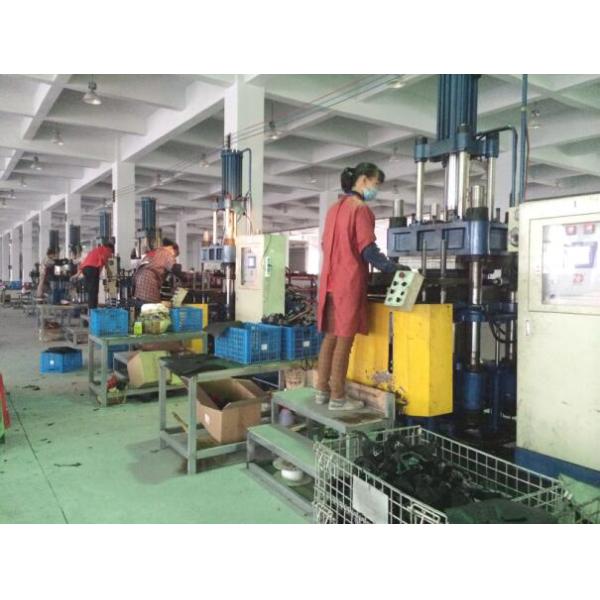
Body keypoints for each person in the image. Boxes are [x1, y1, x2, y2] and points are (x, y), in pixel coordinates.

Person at [316, 163, 409, 411]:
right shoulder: (360, 209)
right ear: (364, 180)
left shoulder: (334, 209)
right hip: (347, 283)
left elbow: (326, 245)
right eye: (376, 184)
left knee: (330, 337)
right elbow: (367, 249)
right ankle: (338, 398)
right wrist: (392, 267)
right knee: (344, 340)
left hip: (329, 282)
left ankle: (322, 391)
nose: (375, 189)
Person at [132, 238, 181, 307]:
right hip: (149, 283)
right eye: (175, 255)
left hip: (138, 283)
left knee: (143, 308)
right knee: (154, 309)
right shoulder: (166, 253)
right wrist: (184, 276)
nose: (174, 258)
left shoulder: (154, 252)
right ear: (171, 248)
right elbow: (175, 268)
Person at [77, 242, 114, 309]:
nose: (111, 253)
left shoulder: (97, 250)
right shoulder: (107, 250)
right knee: (94, 291)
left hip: (86, 269)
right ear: (110, 248)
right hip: (92, 269)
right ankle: (93, 309)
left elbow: (99, 264)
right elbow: (104, 260)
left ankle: (91, 308)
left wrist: (78, 274)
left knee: (91, 290)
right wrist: (109, 271)